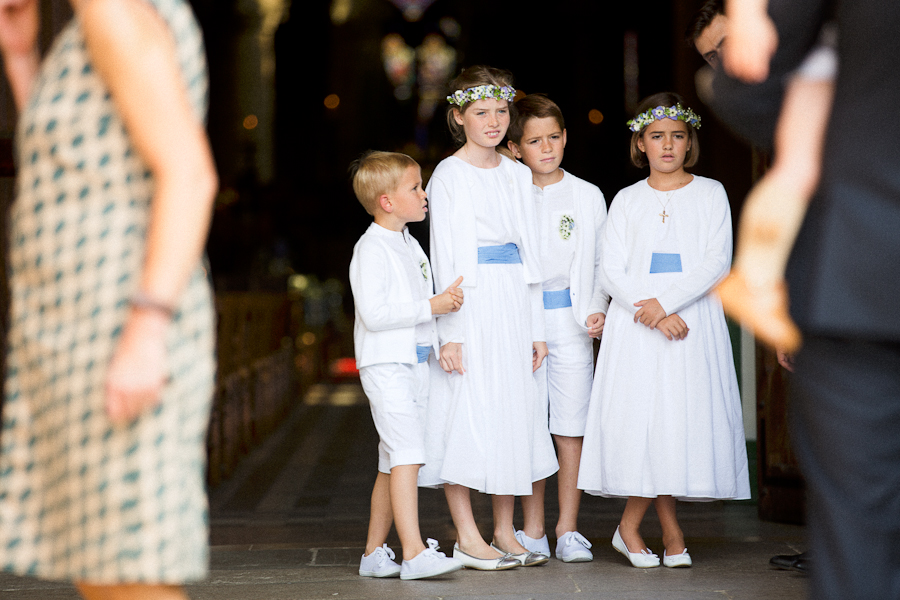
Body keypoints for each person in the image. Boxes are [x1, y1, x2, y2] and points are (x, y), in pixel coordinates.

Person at [0, 1, 217, 599]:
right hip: (75, 323)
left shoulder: (113, 7)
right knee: (101, 567)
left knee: (130, 574)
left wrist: (147, 329)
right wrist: (21, 61)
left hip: (118, 318)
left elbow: (189, 174)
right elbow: (75, 164)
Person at [709, 0, 900, 597]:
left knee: (858, 546)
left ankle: (758, 275)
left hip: (864, 265)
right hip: (860, 276)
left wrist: (841, 128)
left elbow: (748, 75)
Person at [578, 92, 751, 569]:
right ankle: (664, 531)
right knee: (645, 423)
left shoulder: (711, 192)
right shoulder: (627, 199)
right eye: (657, 136)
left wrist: (668, 304)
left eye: (678, 136)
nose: (668, 145)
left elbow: (717, 261)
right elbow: (610, 267)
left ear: (689, 142)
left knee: (678, 421)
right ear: (641, 143)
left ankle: (637, 527)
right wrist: (648, 309)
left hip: (690, 320)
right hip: (636, 325)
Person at [421, 65, 557, 571]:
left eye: (501, 111)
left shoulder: (519, 173)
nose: (494, 121)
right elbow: (448, 253)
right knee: (467, 412)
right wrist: (450, 334)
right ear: (459, 116)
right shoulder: (450, 175)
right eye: (481, 112)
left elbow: (531, 253)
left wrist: (537, 328)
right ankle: (468, 535)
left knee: (512, 414)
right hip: (471, 304)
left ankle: (504, 530)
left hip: (514, 304)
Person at [348, 150, 466, 581]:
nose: (424, 193)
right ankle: (414, 552)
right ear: (387, 201)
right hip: (386, 365)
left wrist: (441, 340)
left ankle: (374, 553)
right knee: (410, 455)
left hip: (415, 363)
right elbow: (375, 314)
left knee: (391, 459)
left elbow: (424, 307)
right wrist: (430, 305)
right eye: (415, 187)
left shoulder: (410, 242)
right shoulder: (370, 249)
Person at [504, 94, 608, 563]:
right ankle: (533, 529)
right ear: (515, 148)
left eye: (553, 138)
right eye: (533, 141)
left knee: (571, 426)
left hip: (570, 320)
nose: (545, 148)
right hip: (522, 321)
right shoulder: (509, 192)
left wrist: (598, 306)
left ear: (565, 137)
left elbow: (603, 261)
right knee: (527, 423)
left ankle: (567, 528)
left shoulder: (586, 195)